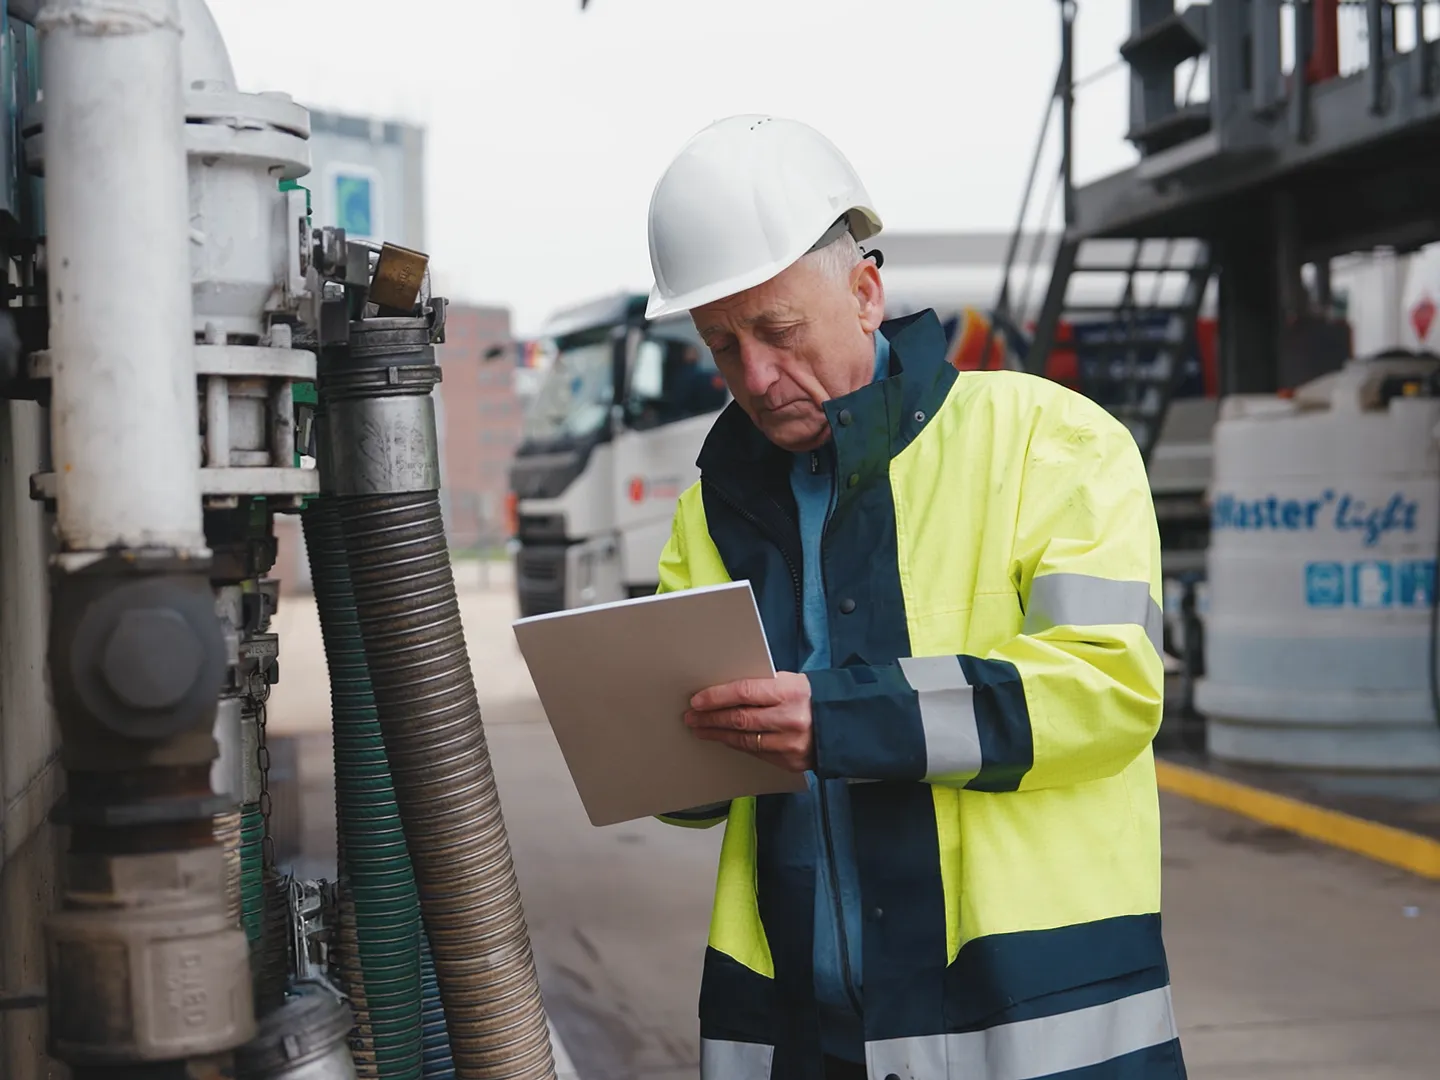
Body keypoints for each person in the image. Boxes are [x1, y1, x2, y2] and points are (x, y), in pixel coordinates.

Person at [646, 114, 1186, 1080]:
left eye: (778, 332)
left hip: (1031, 1023)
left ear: (865, 294)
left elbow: (1108, 692)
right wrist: (649, 744)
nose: (756, 378)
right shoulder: (711, 510)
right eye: (722, 346)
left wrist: (841, 720)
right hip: (798, 1037)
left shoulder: (1051, 442)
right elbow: (687, 794)